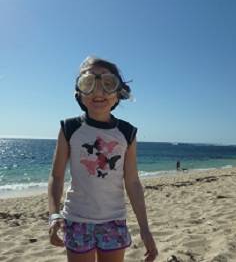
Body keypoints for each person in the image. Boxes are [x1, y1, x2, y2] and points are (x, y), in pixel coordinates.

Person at [48, 57, 158, 262]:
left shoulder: (127, 132)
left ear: (118, 94)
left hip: (114, 221)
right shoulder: (69, 128)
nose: (98, 92)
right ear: (79, 94)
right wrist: (54, 214)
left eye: (108, 84)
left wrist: (145, 229)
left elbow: (133, 182)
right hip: (76, 220)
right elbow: (56, 175)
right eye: (89, 84)